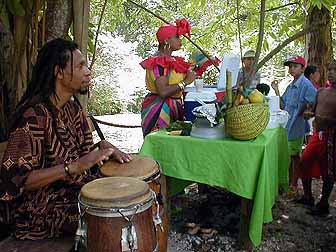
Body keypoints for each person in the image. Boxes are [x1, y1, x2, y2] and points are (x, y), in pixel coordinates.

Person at [0, 38, 131, 240]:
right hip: (38, 207)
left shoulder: (72, 108)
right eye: (80, 66)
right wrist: (73, 167)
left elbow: (82, 157)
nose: (87, 71)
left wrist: (102, 148)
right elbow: (18, 180)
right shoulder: (33, 117)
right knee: (109, 217)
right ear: (59, 72)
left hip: (72, 191)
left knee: (126, 196)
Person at [140, 18, 197, 136]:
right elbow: (163, 91)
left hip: (174, 108)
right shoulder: (158, 62)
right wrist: (185, 82)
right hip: (160, 110)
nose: (180, 40)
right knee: (161, 146)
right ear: (166, 40)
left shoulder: (173, 61)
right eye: (176, 37)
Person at [271, 56, 317, 193]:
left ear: (303, 69)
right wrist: (276, 90)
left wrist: (308, 111)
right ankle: (287, 183)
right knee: (287, 155)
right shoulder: (291, 86)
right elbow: (283, 104)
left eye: (295, 66)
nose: (291, 69)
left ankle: (294, 185)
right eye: (290, 66)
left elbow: (314, 101)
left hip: (296, 126)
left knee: (295, 156)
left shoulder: (306, 85)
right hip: (287, 125)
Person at [296, 59, 336, 216]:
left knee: (328, 172)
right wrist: (309, 114)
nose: (332, 73)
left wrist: (328, 121)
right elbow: (313, 111)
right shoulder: (321, 92)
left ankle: (323, 203)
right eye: (330, 69)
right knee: (304, 161)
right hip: (317, 135)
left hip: (332, 137)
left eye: (335, 70)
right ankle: (308, 196)